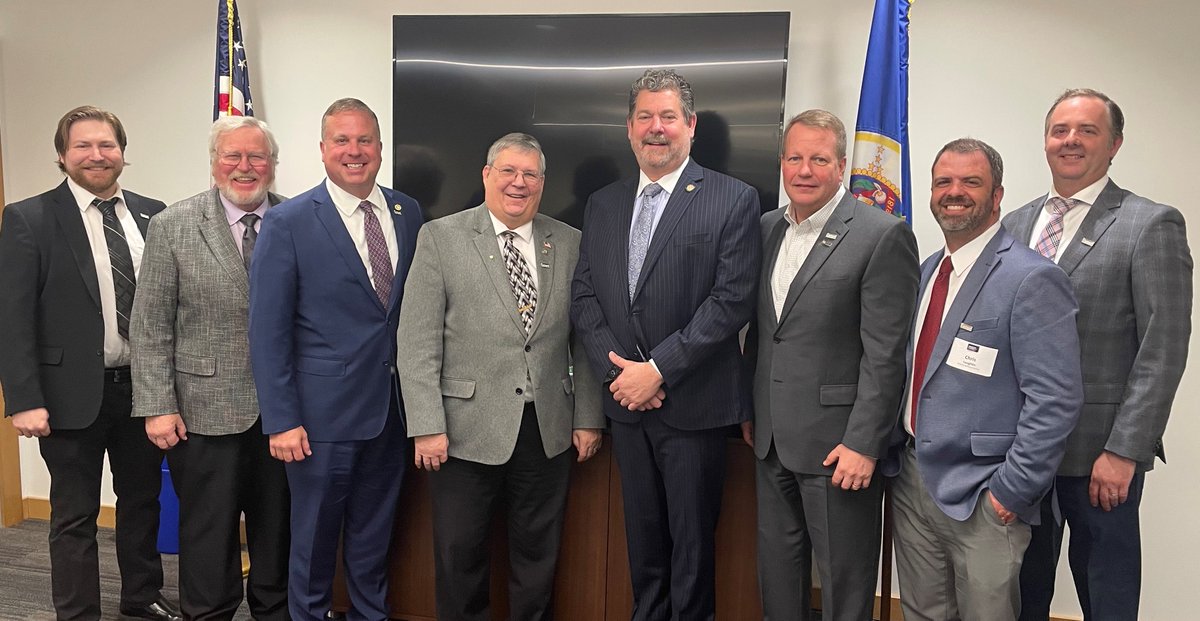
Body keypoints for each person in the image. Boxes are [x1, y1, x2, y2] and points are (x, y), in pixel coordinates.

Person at [570, 68, 761, 620]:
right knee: (644, 550)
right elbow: (585, 296)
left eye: (668, 117)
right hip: (627, 409)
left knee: (694, 554)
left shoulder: (732, 198)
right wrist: (620, 375)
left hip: (693, 407)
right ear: (629, 128)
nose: (657, 129)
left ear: (691, 126)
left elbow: (731, 301)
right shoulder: (603, 203)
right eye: (646, 117)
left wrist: (658, 370)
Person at [1003, 89, 1193, 621]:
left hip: (1098, 456)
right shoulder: (1014, 225)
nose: (1070, 140)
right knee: (1021, 594)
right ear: (1045, 141)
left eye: (1087, 130)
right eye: (1060, 129)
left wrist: (1125, 450)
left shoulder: (1149, 224)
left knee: (1105, 596)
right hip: (1018, 452)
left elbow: (1163, 347)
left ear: (1115, 144)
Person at [398, 132, 604, 621]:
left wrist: (589, 416)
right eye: (508, 171)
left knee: (538, 556)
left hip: (547, 429)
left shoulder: (570, 241)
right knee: (460, 556)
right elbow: (417, 340)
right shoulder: (441, 237)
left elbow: (586, 337)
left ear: (543, 183)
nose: (519, 183)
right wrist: (426, 425)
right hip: (462, 431)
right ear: (487, 175)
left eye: (530, 174)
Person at [886, 138, 1083, 621]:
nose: (955, 192)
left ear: (997, 195)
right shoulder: (929, 269)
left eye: (971, 182)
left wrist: (1010, 493)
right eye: (943, 182)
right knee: (924, 614)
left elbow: (1055, 400)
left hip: (982, 493)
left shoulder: (1031, 278)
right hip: (913, 481)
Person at [0, 106, 180, 621]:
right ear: (63, 156)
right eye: (83, 146)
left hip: (142, 391)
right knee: (74, 514)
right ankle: (77, 612)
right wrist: (24, 399)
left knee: (142, 503)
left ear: (122, 151)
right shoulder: (28, 217)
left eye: (106, 145)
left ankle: (141, 596)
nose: (96, 155)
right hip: (66, 396)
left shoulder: (154, 213)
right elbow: (12, 319)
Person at [248, 98, 424, 621]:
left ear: (380, 148)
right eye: (342, 141)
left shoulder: (406, 211)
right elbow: (267, 332)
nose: (354, 151)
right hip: (319, 421)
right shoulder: (288, 222)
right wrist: (282, 420)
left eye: (364, 140)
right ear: (323, 150)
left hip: (391, 414)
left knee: (374, 539)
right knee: (314, 544)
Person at [745, 110, 919, 621]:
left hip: (838, 446)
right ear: (782, 163)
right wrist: (751, 409)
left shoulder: (881, 234)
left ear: (842, 166)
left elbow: (886, 353)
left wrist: (865, 443)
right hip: (772, 439)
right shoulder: (766, 228)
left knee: (844, 584)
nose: (804, 170)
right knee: (778, 576)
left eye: (818, 159)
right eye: (794, 158)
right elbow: (764, 332)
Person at [130, 115, 289, 621]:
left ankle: (275, 612)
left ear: (273, 163)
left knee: (280, 530)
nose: (245, 167)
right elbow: (150, 324)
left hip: (285, 415)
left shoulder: (299, 220)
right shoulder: (173, 224)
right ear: (214, 162)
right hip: (202, 412)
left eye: (256, 156)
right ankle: (208, 613)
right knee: (208, 533)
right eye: (232, 156)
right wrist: (156, 406)